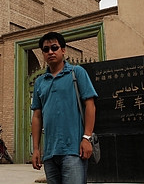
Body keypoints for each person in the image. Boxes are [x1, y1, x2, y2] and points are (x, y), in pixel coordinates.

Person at [31, 31, 98, 184]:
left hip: (73, 150)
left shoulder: (77, 73)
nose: (50, 52)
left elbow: (90, 105)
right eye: (46, 49)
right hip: (49, 154)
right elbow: (37, 116)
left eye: (54, 47)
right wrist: (36, 149)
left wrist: (86, 138)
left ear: (63, 50)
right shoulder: (40, 82)